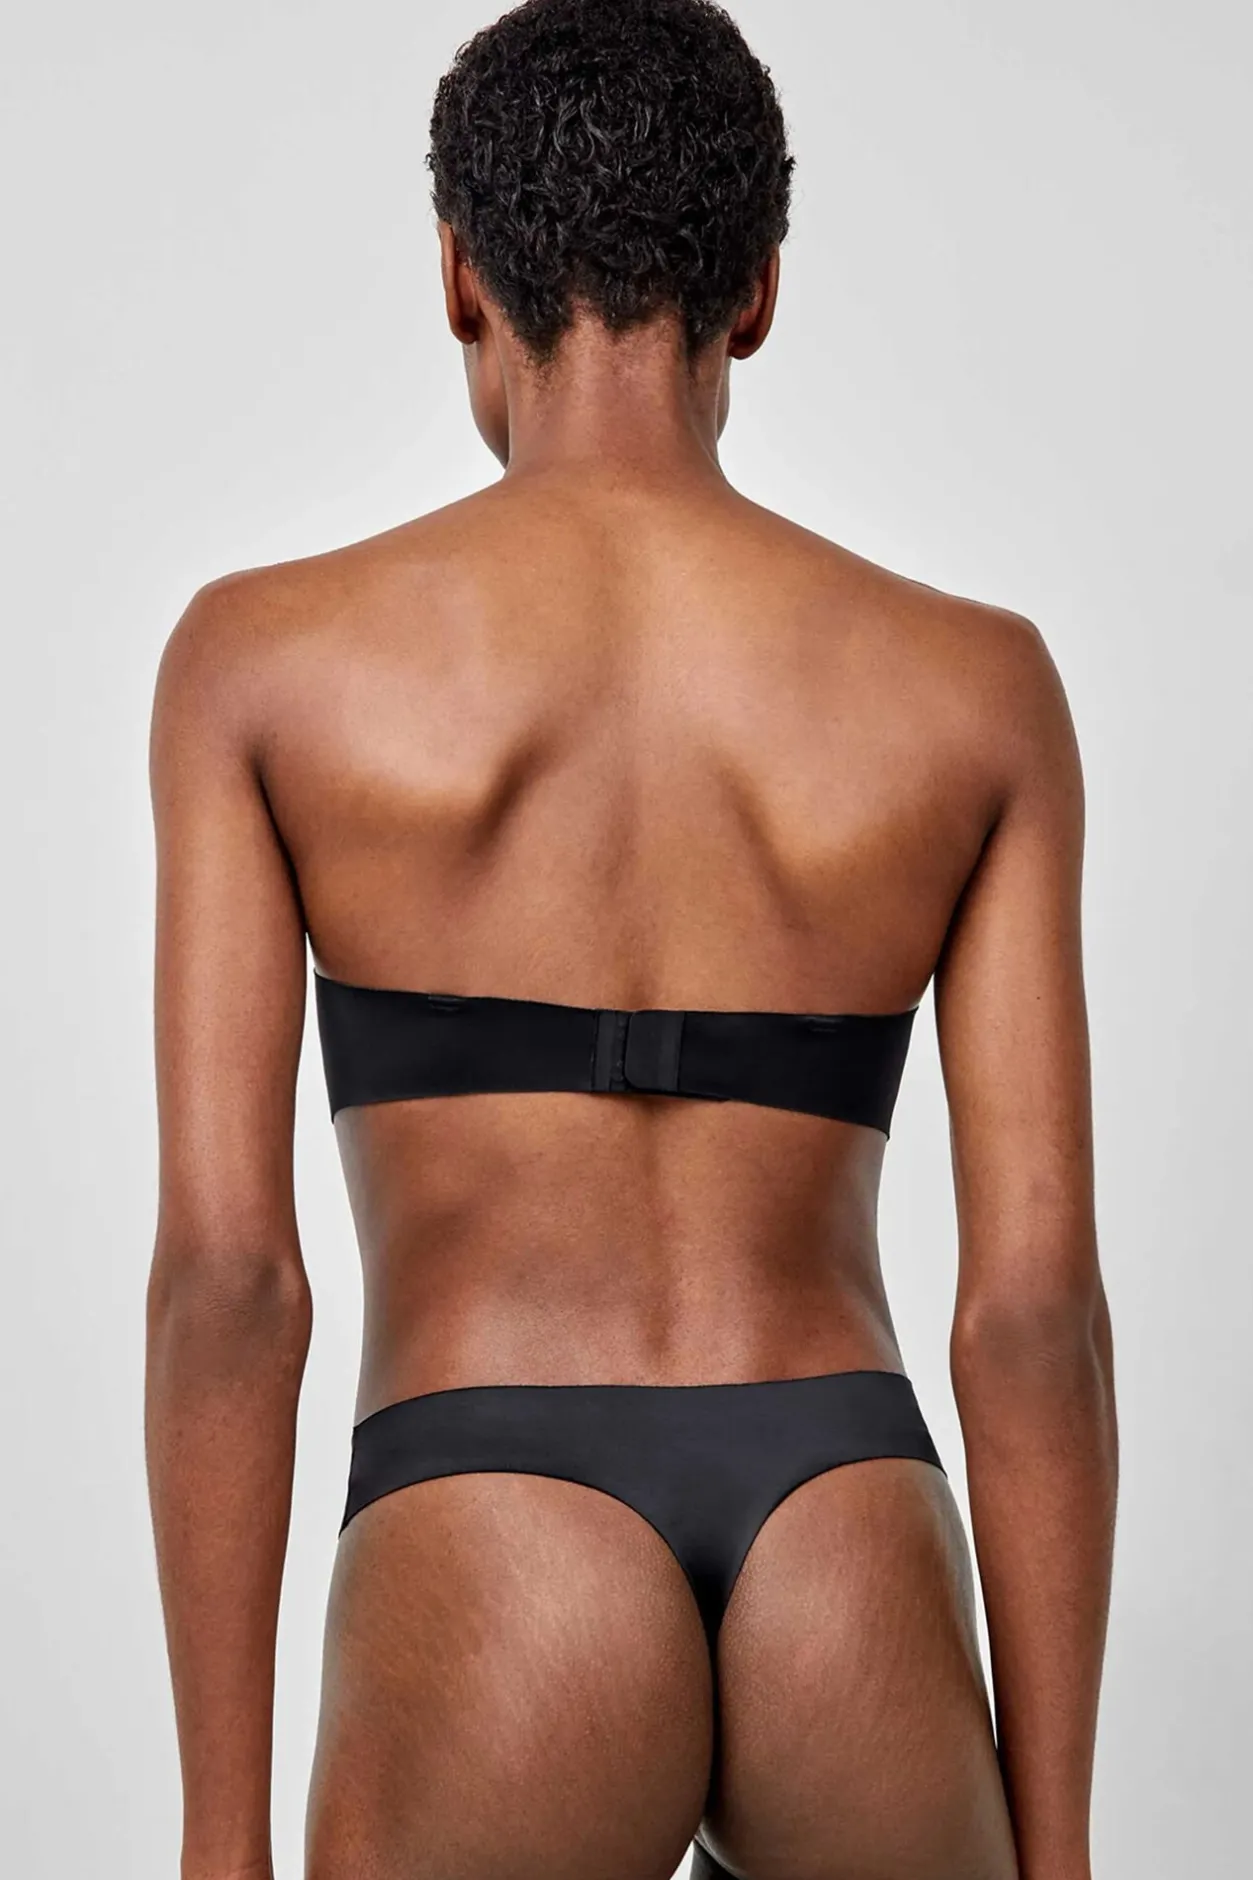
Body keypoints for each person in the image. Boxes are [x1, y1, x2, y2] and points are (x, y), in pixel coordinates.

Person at [145, 2, 1118, 1876]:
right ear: (757, 289)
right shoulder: (977, 693)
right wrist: (1060, 1856)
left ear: (459, 277)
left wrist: (216, 1842)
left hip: (488, 1520)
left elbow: (228, 1279)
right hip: (845, 1523)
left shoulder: (261, 670)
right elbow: (1033, 1312)